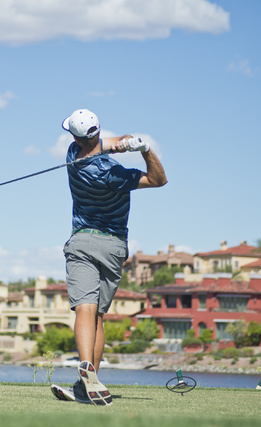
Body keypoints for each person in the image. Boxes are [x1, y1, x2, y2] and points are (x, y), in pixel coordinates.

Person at [50, 109, 167, 406]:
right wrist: (145, 150)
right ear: (97, 131)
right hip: (114, 245)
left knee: (85, 309)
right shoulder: (112, 173)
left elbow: (103, 144)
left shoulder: (72, 153)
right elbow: (158, 179)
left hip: (82, 240)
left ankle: (86, 374)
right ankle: (89, 380)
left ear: (76, 137)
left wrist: (124, 142)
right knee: (98, 314)